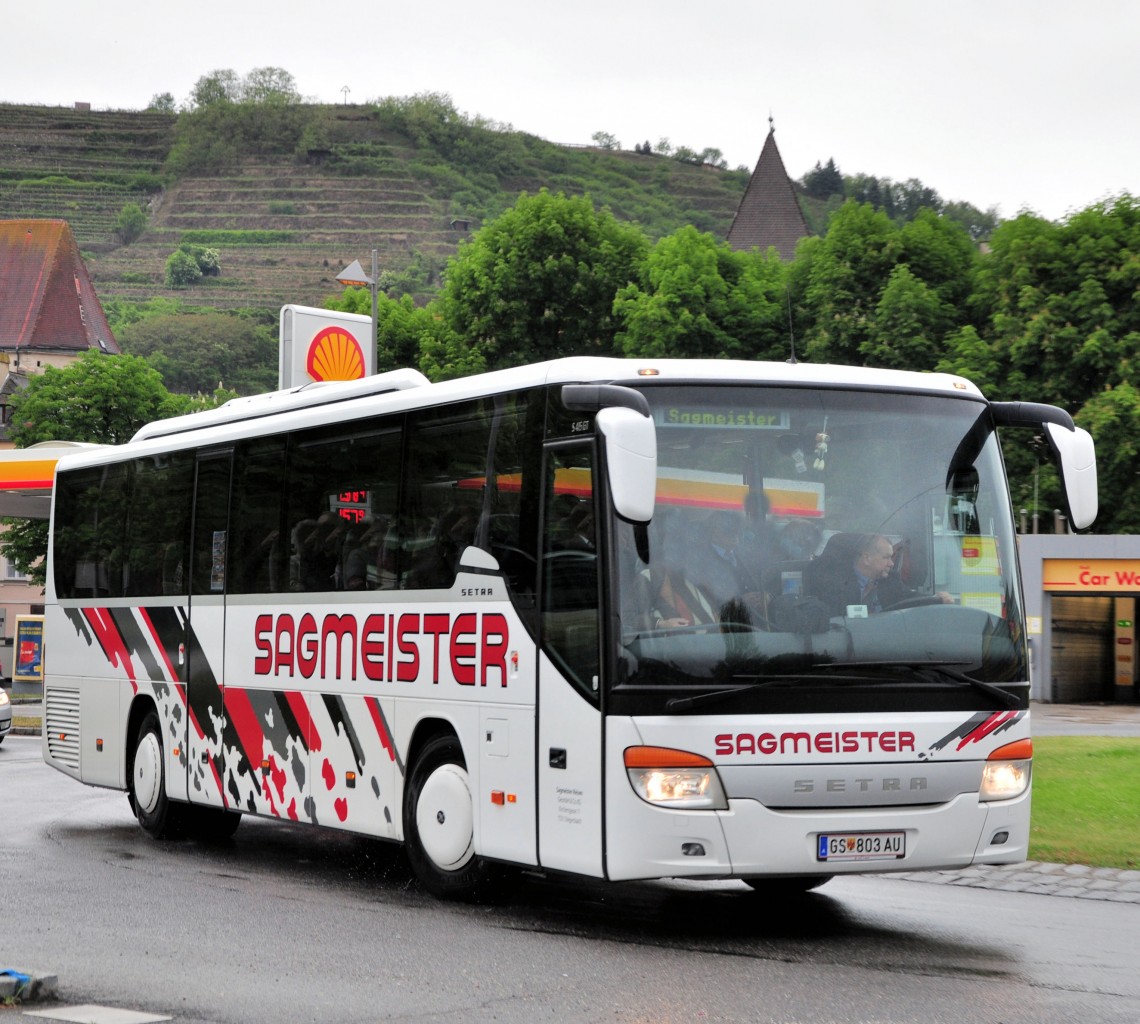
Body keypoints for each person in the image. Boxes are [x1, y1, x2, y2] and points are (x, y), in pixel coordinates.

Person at [808, 532, 952, 617]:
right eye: (886, 557)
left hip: (882, 648)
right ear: (867, 558)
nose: (891, 563)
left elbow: (907, 598)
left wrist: (934, 599)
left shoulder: (890, 579)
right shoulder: (833, 583)